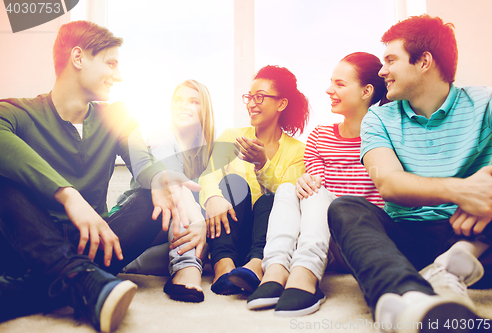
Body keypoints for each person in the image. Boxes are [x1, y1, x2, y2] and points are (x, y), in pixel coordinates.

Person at [0, 21, 200, 332]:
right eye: (110, 63)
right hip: (28, 241)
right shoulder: (18, 112)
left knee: (152, 200)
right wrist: (68, 195)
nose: (118, 76)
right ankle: (84, 280)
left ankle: (48, 284)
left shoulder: (117, 115)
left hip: (94, 243)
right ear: (78, 58)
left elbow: (143, 163)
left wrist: (160, 178)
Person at [327, 14, 492, 332]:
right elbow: (388, 183)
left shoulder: (486, 102)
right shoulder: (378, 119)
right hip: (407, 239)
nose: (382, 71)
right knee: (343, 208)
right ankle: (411, 299)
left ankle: (453, 265)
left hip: (476, 235)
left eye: (391, 60)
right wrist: (463, 190)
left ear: (424, 61)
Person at [246, 52, 386, 316]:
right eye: (331, 82)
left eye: (340, 84)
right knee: (290, 188)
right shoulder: (320, 136)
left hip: (358, 240)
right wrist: (304, 184)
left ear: (367, 91)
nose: (329, 89)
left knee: (317, 193)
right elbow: (314, 189)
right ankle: (275, 271)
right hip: (321, 239)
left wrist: (316, 190)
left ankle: (306, 275)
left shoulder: (384, 138)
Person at [198, 65, 310, 295]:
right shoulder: (232, 136)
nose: (251, 104)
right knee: (232, 184)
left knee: (272, 198)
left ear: (281, 103)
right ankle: (223, 266)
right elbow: (210, 173)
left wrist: (262, 165)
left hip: (268, 241)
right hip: (229, 230)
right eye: (249, 97)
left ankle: (256, 266)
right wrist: (213, 198)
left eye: (259, 97)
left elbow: (290, 198)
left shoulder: (298, 151)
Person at [116, 79, 215, 303]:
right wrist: (200, 222)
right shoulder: (163, 137)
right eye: (178, 100)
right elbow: (173, 185)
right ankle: (187, 266)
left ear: (205, 109)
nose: (183, 105)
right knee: (180, 198)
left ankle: (131, 261)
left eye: (193, 101)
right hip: (145, 217)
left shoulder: (207, 152)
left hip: (172, 229)